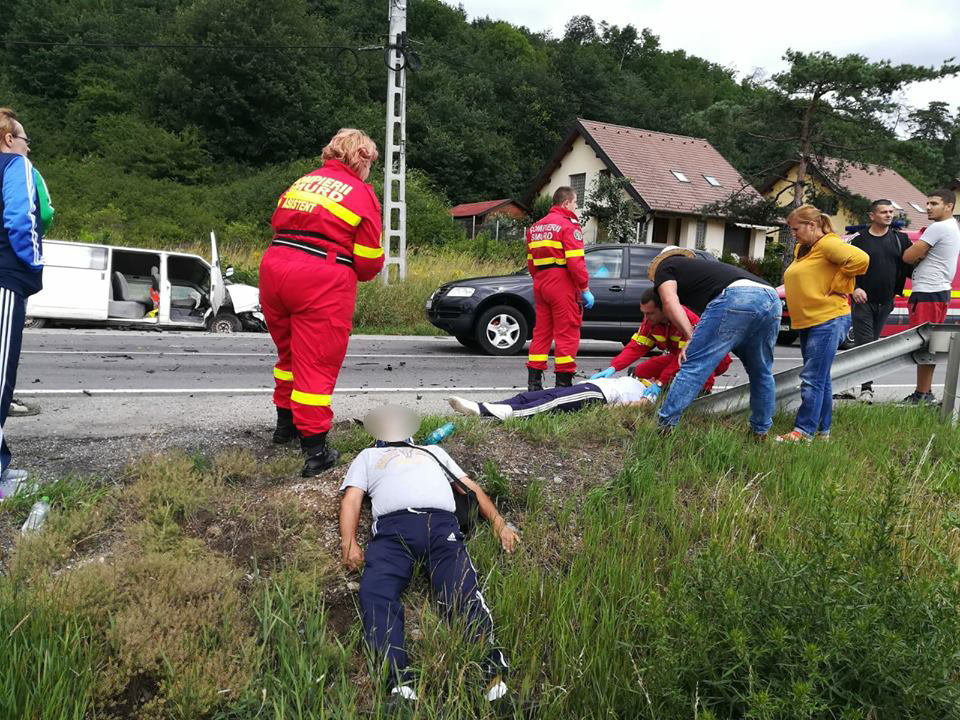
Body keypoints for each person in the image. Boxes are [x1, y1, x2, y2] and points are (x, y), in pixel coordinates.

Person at [339, 404, 518, 708]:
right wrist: (349, 543)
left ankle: (494, 686)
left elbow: (469, 488)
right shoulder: (368, 457)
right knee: (376, 592)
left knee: (463, 593)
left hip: (441, 527)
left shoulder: (433, 452)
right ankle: (400, 687)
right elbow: (352, 499)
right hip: (394, 532)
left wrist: (500, 524)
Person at [260, 128, 384, 477]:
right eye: (370, 163)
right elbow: (368, 262)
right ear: (362, 158)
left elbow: (278, 222)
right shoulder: (361, 194)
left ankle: (284, 428)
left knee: (288, 358)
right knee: (315, 366)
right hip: (320, 280)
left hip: (274, 269)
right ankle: (316, 451)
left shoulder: (303, 182)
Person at [650, 248, 780, 437]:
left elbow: (670, 303)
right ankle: (759, 432)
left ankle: (664, 428)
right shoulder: (705, 274)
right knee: (761, 372)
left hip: (738, 297)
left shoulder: (666, 266)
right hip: (771, 298)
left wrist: (690, 337)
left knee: (694, 364)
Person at [777, 205, 869, 442]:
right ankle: (821, 432)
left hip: (828, 319)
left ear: (812, 225)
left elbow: (860, 258)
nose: (793, 234)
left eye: (796, 229)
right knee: (820, 378)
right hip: (810, 320)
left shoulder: (828, 243)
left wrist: (839, 284)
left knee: (812, 379)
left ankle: (803, 432)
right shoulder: (803, 249)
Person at [0, 108, 46, 492]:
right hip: (5, 280)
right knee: (0, 380)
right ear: (9, 139)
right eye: (26, 140)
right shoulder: (15, 166)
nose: (29, 149)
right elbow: (21, 219)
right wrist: (33, 263)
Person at [590, 287, 731, 400]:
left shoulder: (685, 321)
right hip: (679, 356)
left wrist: (660, 382)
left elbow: (684, 359)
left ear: (665, 308)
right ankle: (666, 391)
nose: (645, 318)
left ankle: (701, 395)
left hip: (707, 359)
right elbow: (636, 347)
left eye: (650, 313)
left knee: (696, 373)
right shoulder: (651, 322)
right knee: (640, 372)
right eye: (644, 313)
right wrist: (613, 367)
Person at [838, 200, 912, 402]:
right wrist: (854, 288)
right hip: (863, 301)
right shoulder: (858, 239)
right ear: (872, 216)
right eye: (883, 212)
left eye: (891, 212)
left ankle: (847, 384)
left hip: (886, 301)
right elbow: (843, 268)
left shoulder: (901, 240)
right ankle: (866, 389)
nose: (888, 215)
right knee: (867, 344)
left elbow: (910, 268)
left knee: (869, 345)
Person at [525, 186, 593, 391]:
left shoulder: (535, 227)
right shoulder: (568, 225)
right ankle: (563, 386)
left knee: (542, 333)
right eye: (574, 204)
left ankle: (534, 385)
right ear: (566, 203)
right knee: (567, 333)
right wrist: (584, 288)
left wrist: (541, 280)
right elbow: (575, 262)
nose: (576, 208)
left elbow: (531, 262)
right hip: (562, 282)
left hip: (541, 282)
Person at [901, 188, 960, 405]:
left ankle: (922, 394)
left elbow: (908, 256)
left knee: (924, 345)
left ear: (949, 206)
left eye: (934, 203)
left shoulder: (938, 228)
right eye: (927, 204)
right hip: (939, 290)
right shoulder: (953, 226)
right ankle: (923, 392)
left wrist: (914, 253)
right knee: (929, 344)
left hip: (928, 291)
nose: (928, 207)